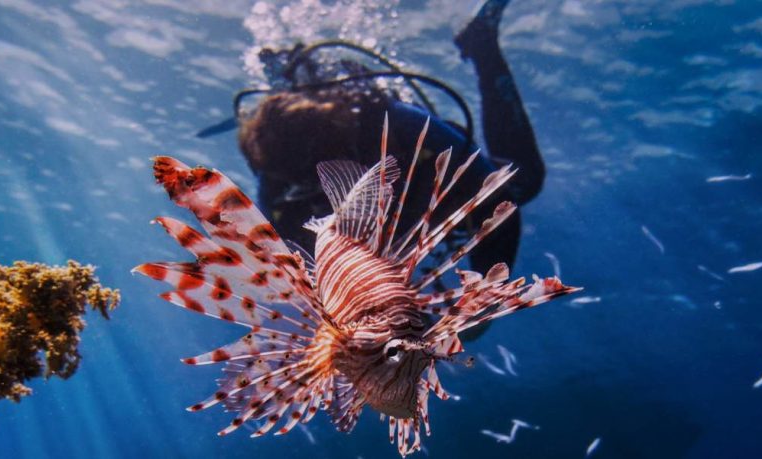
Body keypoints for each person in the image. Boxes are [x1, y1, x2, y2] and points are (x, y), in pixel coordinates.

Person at [209, 0, 544, 338]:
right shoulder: (278, 187)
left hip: (423, 188)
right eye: (308, 184)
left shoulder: (394, 123)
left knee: (524, 181)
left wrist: (481, 305)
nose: (332, 192)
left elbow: (496, 196)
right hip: (393, 223)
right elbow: (307, 280)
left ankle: (481, 43)